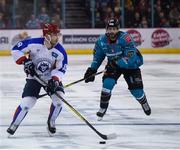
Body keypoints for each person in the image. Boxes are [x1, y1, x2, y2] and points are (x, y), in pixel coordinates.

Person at [84, 18, 151, 121]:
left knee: (136, 91)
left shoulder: (126, 38)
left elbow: (131, 56)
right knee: (107, 84)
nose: (112, 31)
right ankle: (103, 108)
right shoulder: (101, 41)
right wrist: (92, 70)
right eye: (110, 29)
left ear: (118, 29)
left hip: (130, 65)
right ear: (106, 29)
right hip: (114, 65)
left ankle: (143, 101)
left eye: (114, 29)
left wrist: (116, 63)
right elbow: (98, 57)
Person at [7, 23, 68, 136]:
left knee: (59, 102)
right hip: (34, 78)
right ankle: (14, 124)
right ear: (47, 36)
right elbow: (15, 49)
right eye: (54, 34)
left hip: (50, 79)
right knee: (26, 104)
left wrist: (55, 80)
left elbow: (61, 69)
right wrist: (25, 61)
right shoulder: (33, 43)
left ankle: (51, 121)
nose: (57, 37)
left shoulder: (60, 51)